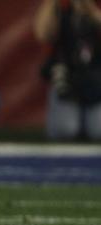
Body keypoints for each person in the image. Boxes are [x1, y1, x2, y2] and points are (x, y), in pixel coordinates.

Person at [34, 0, 101, 141]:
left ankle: (85, 121)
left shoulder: (92, 13)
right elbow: (42, 32)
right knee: (66, 130)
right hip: (67, 81)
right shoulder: (60, 12)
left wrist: (88, 9)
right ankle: (76, 120)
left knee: (98, 130)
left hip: (93, 81)